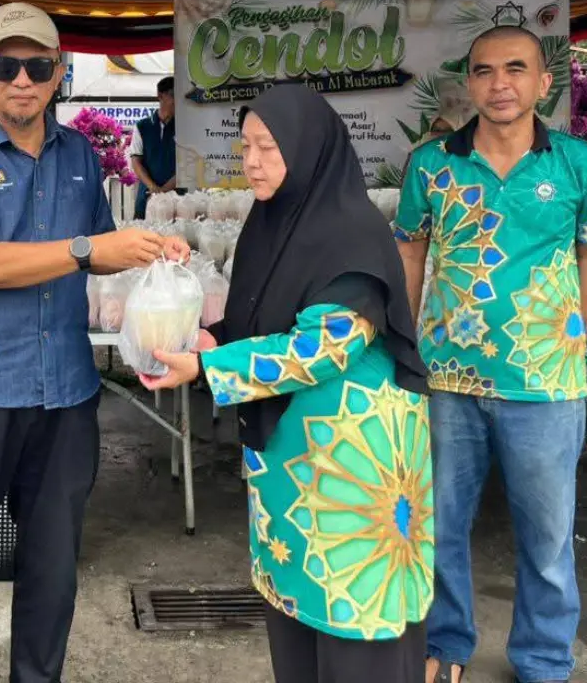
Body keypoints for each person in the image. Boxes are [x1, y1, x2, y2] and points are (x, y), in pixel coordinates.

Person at [0, 2, 188, 683]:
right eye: (6, 66)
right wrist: (95, 248)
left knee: (53, 570)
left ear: (58, 74)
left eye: (36, 66)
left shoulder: (81, 156)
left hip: (64, 394)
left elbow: (101, 259)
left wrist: (154, 254)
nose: (21, 80)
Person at [143, 85, 433, 683]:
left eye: (268, 148)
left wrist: (209, 368)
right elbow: (263, 317)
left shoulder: (350, 233)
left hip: (352, 470)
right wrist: (211, 339)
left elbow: (322, 347)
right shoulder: (274, 222)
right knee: (299, 615)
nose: (251, 162)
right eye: (245, 146)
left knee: (356, 628)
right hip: (292, 467)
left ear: (309, 151)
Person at [393, 26, 587, 683]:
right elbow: (410, 251)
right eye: (485, 71)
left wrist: (567, 330)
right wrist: (405, 348)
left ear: (543, 83)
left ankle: (543, 660)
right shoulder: (432, 164)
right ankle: (444, 644)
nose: (500, 84)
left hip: (546, 385)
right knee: (437, 528)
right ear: (470, 84)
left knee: (546, 541)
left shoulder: (577, 163)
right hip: (446, 379)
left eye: (516, 69)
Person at [129, 75, 177, 219]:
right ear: (160, 96)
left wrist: (164, 190)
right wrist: (153, 187)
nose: (178, 101)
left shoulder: (185, 126)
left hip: (178, 198)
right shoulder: (142, 126)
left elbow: (187, 164)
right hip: (147, 194)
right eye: (173, 95)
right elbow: (136, 161)